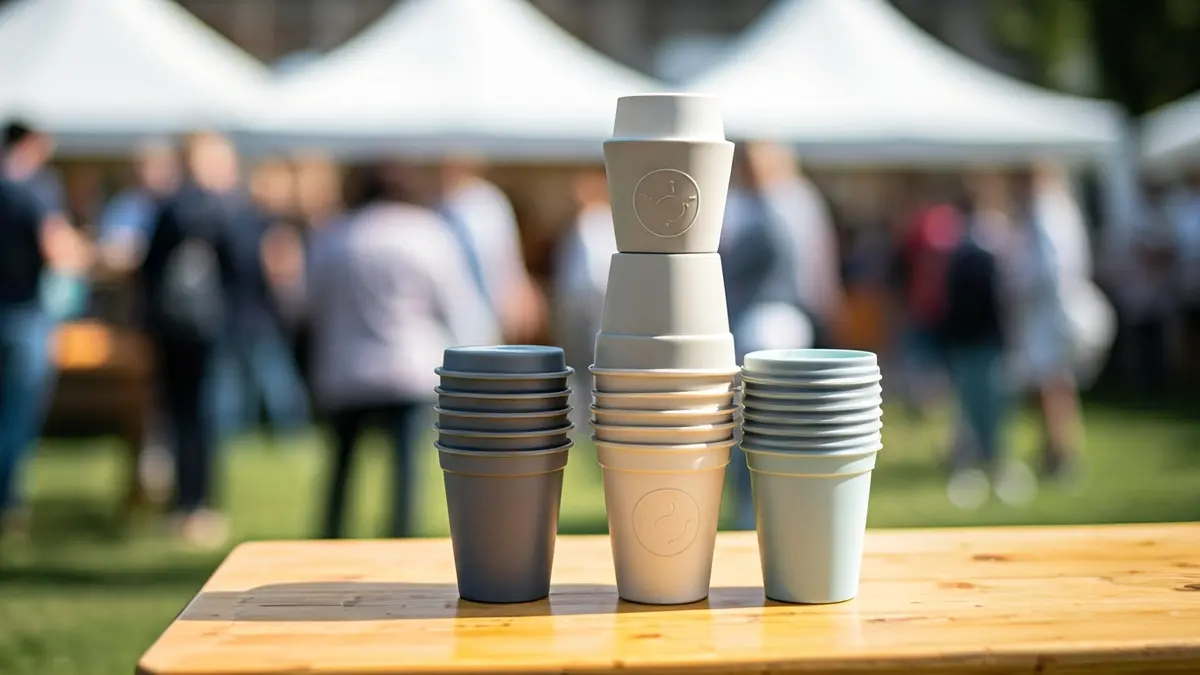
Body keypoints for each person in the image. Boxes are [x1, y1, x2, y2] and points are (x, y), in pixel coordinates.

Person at [308, 163, 499, 539]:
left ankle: (329, 540)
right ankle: (401, 541)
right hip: (408, 367)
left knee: (341, 468)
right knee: (405, 472)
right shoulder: (427, 233)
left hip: (346, 368)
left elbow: (307, 301)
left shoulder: (335, 234)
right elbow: (459, 305)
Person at [139, 131, 242, 548]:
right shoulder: (224, 209)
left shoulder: (170, 207)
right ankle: (201, 503)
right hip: (208, 326)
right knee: (203, 416)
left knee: (180, 415)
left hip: (172, 326)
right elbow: (241, 269)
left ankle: (186, 503)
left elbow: (149, 269)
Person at [0, 126, 91, 539]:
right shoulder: (32, 192)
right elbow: (58, 249)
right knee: (17, 417)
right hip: (22, 315)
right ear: (33, 145)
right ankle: (7, 503)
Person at [437, 155, 545, 343]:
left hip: (487, 318)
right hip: (450, 320)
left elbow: (507, 259)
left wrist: (518, 293)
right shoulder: (436, 204)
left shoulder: (490, 202)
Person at [552, 170, 617, 428]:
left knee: (593, 369)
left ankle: (595, 419)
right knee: (578, 370)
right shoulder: (581, 223)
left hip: (595, 311)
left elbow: (595, 276)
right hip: (578, 311)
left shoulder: (599, 222)